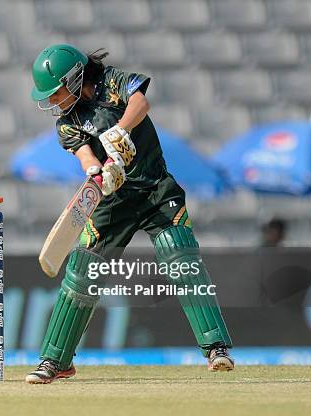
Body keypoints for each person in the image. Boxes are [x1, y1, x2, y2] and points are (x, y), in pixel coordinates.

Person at [26, 44, 234, 384]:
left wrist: (120, 131)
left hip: (155, 190)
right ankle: (55, 361)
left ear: (75, 78)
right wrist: (100, 174)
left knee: (181, 259)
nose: (53, 101)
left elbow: (140, 101)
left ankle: (216, 349)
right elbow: (84, 157)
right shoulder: (68, 122)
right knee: (82, 275)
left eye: (56, 91)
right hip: (113, 199)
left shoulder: (112, 82)